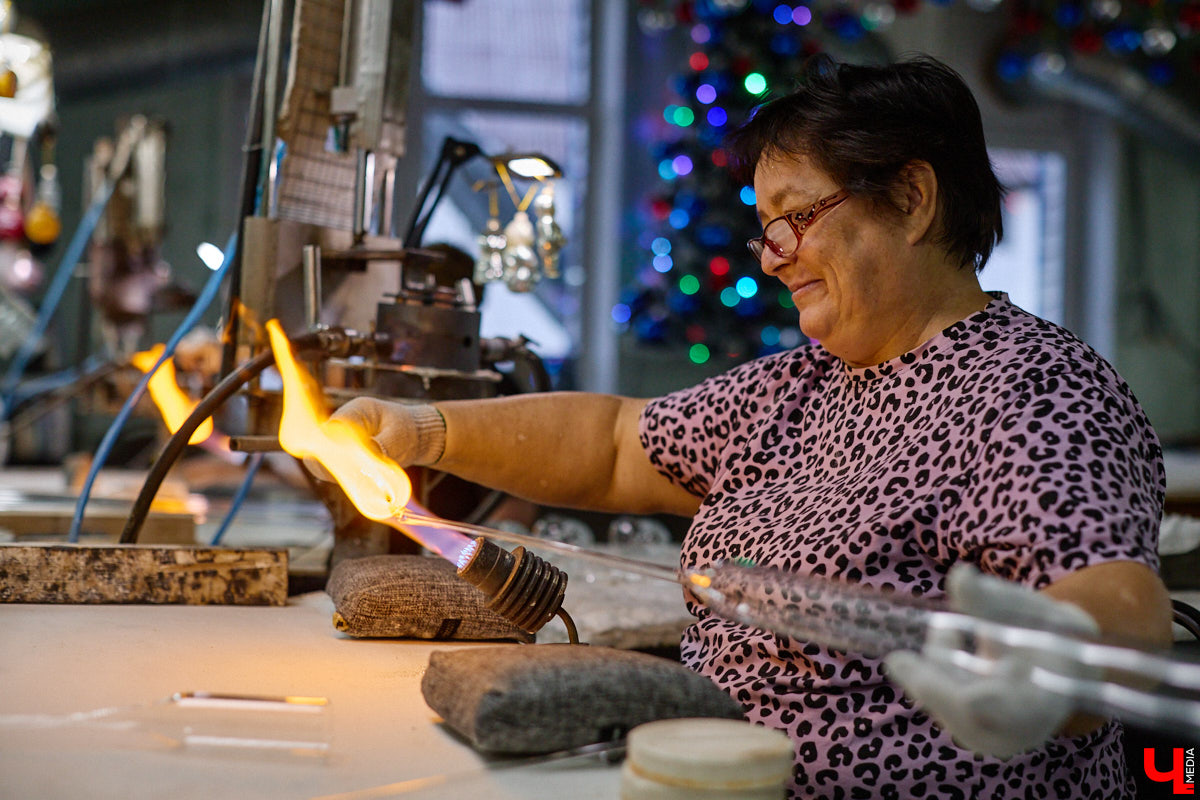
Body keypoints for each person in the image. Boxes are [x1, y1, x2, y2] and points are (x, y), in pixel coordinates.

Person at [313, 55, 1172, 799]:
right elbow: (614, 444)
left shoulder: (1034, 388)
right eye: (766, 229)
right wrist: (421, 431)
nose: (770, 255)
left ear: (911, 199)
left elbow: (1120, 598)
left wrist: (1062, 663)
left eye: (795, 218)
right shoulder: (808, 386)